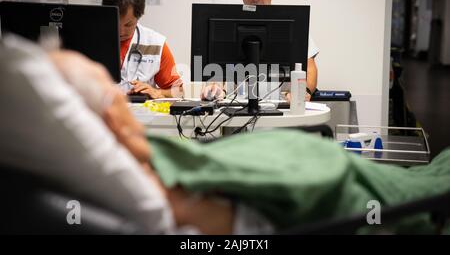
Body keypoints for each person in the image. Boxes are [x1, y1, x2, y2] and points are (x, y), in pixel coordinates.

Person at [1, 35, 450, 235]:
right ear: (111, 120)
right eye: (107, 87)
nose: (118, 89)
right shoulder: (160, 177)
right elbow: (315, 175)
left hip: (297, 159)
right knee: (433, 176)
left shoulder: (135, 160)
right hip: (341, 182)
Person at [201, 0, 319, 102]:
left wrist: (304, 91)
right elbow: (217, 70)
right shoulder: (223, 26)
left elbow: (310, 69)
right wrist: (215, 87)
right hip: (236, 111)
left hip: (282, 109)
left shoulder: (292, 25)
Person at [102, 0, 184, 99]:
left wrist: (157, 92)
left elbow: (179, 91)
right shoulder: (88, 41)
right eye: (115, 22)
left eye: (128, 25)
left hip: (142, 116)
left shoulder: (155, 44)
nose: (120, 31)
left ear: (138, 17)